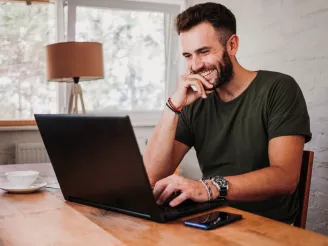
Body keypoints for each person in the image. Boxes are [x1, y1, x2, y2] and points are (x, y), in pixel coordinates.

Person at [143, 2, 311, 224]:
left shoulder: (278, 88)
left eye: (203, 52)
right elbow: (150, 177)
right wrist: (174, 105)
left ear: (232, 45)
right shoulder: (194, 100)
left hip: (268, 226)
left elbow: (285, 177)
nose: (195, 65)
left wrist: (207, 187)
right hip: (211, 220)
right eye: (187, 55)